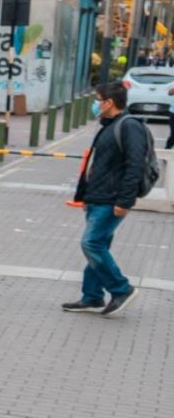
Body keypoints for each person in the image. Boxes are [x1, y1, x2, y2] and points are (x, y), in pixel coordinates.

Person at [65, 81, 150, 316]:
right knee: (99, 245)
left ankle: (121, 289)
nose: (95, 104)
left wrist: (125, 201)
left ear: (109, 102)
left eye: (97, 99)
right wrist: (86, 195)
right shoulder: (109, 124)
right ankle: (92, 296)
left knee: (91, 243)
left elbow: (135, 166)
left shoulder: (129, 126)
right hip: (98, 196)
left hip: (112, 198)